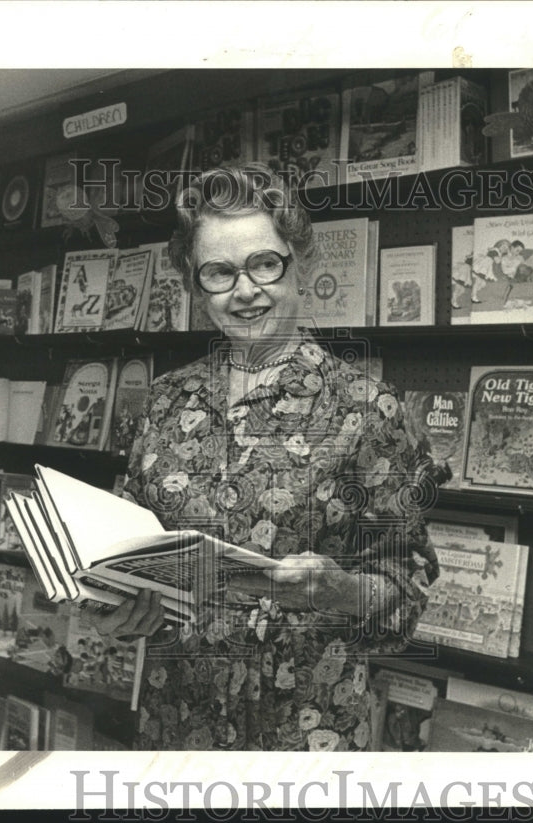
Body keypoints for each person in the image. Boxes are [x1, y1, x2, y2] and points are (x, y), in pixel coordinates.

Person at [91, 163, 438, 751]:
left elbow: (405, 591)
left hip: (303, 736)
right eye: (219, 273)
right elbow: (128, 555)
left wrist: (336, 591)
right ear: (196, 286)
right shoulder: (166, 401)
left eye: (264, 264)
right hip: (177, 726)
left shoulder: (368, 407)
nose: (245, 290)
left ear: (298, 263)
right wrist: (114, 608)